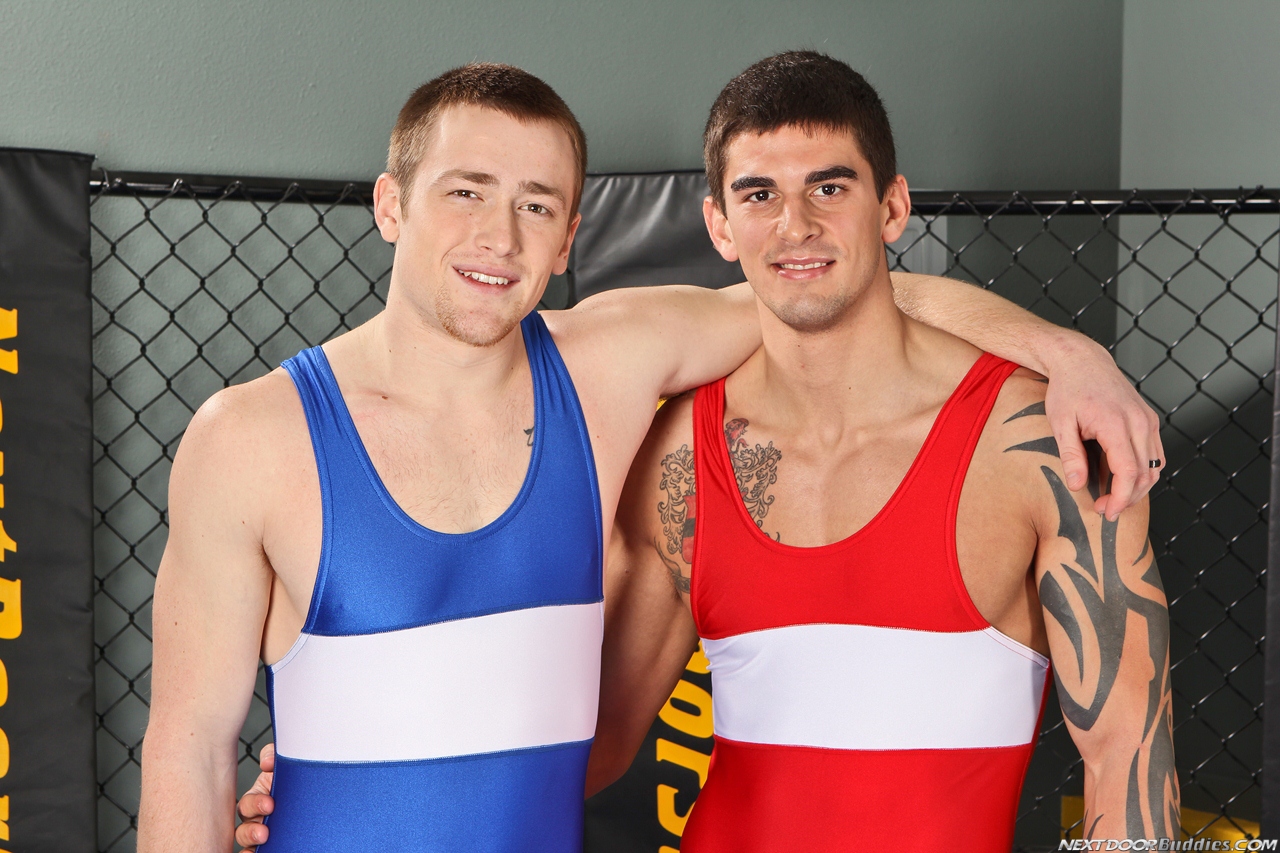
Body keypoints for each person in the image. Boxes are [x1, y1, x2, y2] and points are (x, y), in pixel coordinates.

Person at [146, 63, 1159, 853]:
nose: (498, 235)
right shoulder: (248, 437)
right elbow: (186, 748)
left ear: (568, 237)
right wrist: (335, 762)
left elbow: (827, 289)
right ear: (390, 205)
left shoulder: (608, 369)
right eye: (465, 191)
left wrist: (1068, 355)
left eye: (536, 204)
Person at [585, 52, 1177, 850]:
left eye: (829, 188)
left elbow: (1126, 761)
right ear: (721, 225)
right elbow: (591, 748)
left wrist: (1067, 352)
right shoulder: (683, 454)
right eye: (759, 195)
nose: (795, 225)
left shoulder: (1040, 443)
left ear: (893, 207)